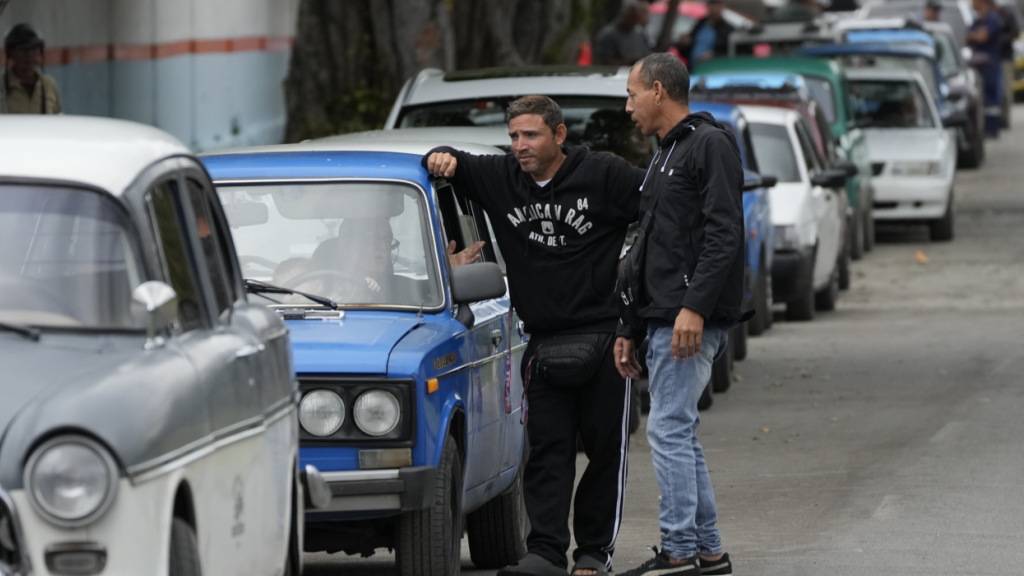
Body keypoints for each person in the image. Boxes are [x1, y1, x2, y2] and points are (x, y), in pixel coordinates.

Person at [424, 95, 646, 576]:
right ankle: (545, 552)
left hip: (607, 341)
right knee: (546, 455)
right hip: (543, 344)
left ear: (559, 136)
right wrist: (438, 155)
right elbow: (450, 162)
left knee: (606, 454)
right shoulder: (503, 178)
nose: (520, 146)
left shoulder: (604, 175)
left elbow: (661, 211)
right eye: (514, 136)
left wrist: (641, 292)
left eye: (531, 135)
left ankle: (592, 554)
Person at [617, 52, 744, 576]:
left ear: (659, 92)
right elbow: (646, 244)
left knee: (667, 429)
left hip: (686, 317)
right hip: (659, 313)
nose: (628, 107)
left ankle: (679, 552)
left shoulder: (709, 145)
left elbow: (724, 234)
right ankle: (708, 550)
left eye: (631, 94)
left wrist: (694, 308)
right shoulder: (665, 152)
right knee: (679, 430)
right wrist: (628, 324)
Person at [2, 23, 61, 114]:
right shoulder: (2, 85)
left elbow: (58, 120)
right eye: (22, 50)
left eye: (33, 49)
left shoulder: (48, 85)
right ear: (11, 53)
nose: (29, 55)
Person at [968, 0, 1005, 138]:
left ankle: (992, 129)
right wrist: (975, 35)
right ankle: (985, 128)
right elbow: (968, 37)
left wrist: (976, 35)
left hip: (990, 64)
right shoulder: (978, 20)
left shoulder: (992, 18)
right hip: (978, 64)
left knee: (991, 99)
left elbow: (982, 37)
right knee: (981, 99)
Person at [593, 1, 651, 66]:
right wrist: (627, 62)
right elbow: (604, 62)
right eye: (632, 16)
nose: (634, 21)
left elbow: (647, 55)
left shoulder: (640, 33)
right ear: (625, 14)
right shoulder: (608, 35)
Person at [681, 0, 734, 69]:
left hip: (713, 68)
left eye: (717, 5)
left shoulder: (727, 29)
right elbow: (689, 46)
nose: (714, 8)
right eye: (712, 4)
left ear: (722, 7)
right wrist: (684, 43)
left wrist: (714, 55)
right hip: (694, 67)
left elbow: (729, 52)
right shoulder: (700, 24)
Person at [996, 0, 1019, 127]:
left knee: (1005, 90)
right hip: (993, 58)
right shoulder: (990, 14)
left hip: (1005, 57)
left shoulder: (1007, 14)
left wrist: (1001, 40)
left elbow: (1015, 32)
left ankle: (1005, 118)